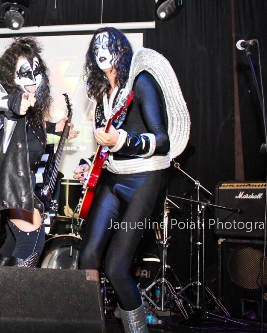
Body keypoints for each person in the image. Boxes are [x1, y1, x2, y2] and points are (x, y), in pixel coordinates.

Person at [73, 27, 189, 332]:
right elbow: (106, 145)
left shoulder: (142, 82)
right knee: (87, 257)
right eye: (96, 46)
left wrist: (122, 141)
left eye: (108, 44)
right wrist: (89, 165)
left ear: (122, 50)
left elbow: (162, 140)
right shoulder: (103, 95)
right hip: (112, 178)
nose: (101, 50)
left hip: (144, 180)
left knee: (116, 267)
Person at [0, 37, 79, 267]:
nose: (34, 79)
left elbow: (27, 127)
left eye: (37, 72)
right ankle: (14, 289)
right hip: (8, 179)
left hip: (20, 179)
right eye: (26, 72)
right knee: (32, 239)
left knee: (13, 242)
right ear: (9, 76)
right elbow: (1, 110)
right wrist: (13, 104)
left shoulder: (29, 111)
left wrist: (55, 128)